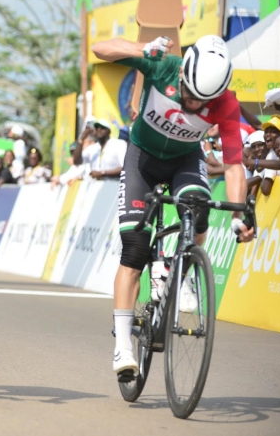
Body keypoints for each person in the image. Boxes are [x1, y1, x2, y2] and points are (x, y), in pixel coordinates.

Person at [91, 34, 254, 378]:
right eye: (190, 94)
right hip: (142, 161)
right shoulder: (163, 66)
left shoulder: (226, 103)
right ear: (182, 75)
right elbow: (100, 49)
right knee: (134, 249)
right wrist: (140, 50)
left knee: (200, 206)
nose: (194, 104)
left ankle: (185, 275)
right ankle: (122, 347)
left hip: (184, 161)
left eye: (203, 100)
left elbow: (234, 164)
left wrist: (240, 213)